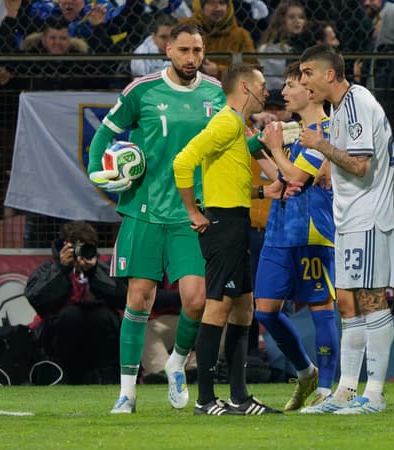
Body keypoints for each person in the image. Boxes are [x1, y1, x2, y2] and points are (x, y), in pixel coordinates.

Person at [86, 23, 226, 414]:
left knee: (196, 301)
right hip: (144, 212)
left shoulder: (215, 93)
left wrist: (262, 141)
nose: (191, 58)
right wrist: (98, 171)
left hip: (190, 213)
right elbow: (104, 134)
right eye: (184, 50)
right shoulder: (142, 90)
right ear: (167, 49)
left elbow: (229, 142)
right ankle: (127, 393)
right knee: (139, 298)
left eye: (197, 51)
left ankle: (177, 362)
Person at [172, 62, 281, 415]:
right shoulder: (224, 121)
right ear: (246, 87)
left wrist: (266, 193)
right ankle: (205, 399)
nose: (267, 91)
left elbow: (229, 183)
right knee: (217, 307)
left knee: (243, 308)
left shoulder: (236, 124)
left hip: (236, 220)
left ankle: (239, 396)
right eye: (262, 85)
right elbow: (182, 162)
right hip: (223, 226)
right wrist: (193, 212)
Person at [297, 44, 394, 414]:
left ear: (328, 74)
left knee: (372, 301)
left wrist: (320, 145)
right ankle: (345, 391)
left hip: (369, 217)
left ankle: (374, 395)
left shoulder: (355, 102)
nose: (303, 80)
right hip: (350, 218)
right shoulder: (342, 107)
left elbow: (359, 165)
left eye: (308, 72)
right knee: (351, 307)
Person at [253, 62, 339, 411]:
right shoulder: (295, 130)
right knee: (265, 311)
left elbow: (297, 178)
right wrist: (262, 149)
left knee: (321, 306)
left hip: (312, 229)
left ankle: (327, 389)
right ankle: (307, 371)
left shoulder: (325, 130)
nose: (284, 92)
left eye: (291, 85)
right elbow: (282, 176)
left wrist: (274, 150)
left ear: (310, 89)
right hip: (279, 228)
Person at [23, 221, 125, 385]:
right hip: (59, 336)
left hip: (99, 335)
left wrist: (93, 272)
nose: (80, 253)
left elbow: (122, 296)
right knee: (71, 316)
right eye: (76, 247)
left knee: (103, 317)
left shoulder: (103, 267)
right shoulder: (50, 268)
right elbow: (36, 299)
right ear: (64, 245)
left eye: (85, 247)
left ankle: (106, 379)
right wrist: (62, 270)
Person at [185, 0, 256, 79]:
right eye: (211, 3)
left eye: (222, 3)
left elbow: (253, 71)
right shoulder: (185, 31)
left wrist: (219, 71)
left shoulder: (240, 36)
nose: (218, 8)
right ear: (200, 6)